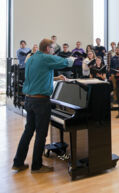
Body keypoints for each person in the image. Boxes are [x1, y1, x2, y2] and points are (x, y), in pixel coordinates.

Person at [12, 38, 74, 173]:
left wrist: (56, 78)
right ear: (47, 49)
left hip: (29, 100)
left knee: (28, 131)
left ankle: (18, 162)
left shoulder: (31, 59)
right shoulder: (46, 58)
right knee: (41, 134)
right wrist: (73, 58)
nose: (53, 51)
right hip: (41, 101)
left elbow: (38, 77)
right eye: (52, 48)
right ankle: (36, 166)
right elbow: (66, 62)